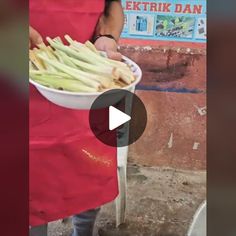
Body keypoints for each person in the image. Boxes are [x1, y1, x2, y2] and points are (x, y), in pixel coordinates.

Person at [29, 0, 124, 235]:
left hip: (89, 86)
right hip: (26, 78)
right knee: (30, 181)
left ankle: (83, 231)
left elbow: (112, 5)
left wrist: (108, 37)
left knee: (90, 172)